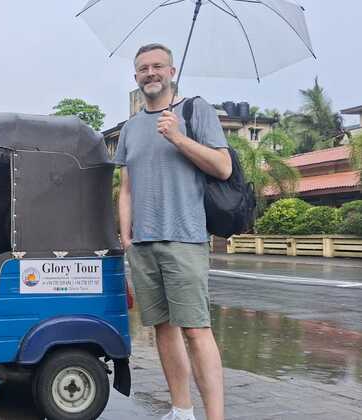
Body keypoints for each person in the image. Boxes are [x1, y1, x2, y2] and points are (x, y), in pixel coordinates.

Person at [114, 43, 231, 420]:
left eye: (158, 66)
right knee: (162, 329)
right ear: (136, 77)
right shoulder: (130, 128)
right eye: (144, 68)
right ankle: (181, 410)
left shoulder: (196, 111)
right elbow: (126, 187)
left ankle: (215, 417)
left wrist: (178, 137)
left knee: (196, 331)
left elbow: (223, 167)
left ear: (172, 71)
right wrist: (126, 235)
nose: (151, 73)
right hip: (143, 243)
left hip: (185, 237)